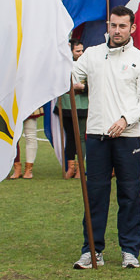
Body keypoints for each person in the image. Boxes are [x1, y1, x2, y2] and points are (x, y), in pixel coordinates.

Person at [71, 6, 140, 269]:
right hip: (97, 136)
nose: (117, 31)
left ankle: (130, 250)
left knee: (129, 195)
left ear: (132, 28)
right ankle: (92, 251)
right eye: (113, 25)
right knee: (95, 195)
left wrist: (125, 119)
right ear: (107, 26)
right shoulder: (92, 55)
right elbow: (71, 76)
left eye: (122, 26)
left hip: (128, 137)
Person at [59, 39, 88, 179]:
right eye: (78, 51)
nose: (81, 53)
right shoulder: (62, 65)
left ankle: (80, 168)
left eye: (82, 50)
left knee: (81, 137)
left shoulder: (88, 64)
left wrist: (83, 87)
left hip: (82, 105)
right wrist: (68, 87)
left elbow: (94, 84)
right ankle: (71, 167)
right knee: (70, 137)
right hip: (66, 105)